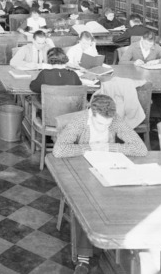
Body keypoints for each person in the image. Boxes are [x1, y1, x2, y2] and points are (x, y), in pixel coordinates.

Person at [53, 94, 147, 274]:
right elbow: (59, 150)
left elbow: (140, 149)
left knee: (131, 194)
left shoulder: (114, 121)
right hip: (83, 170)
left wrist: (110, 147)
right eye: (101, 124)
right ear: (92, 113)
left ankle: (121, 247)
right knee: (84, 202)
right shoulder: (80, 121)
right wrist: (89, 148)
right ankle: (83, 258)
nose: (106, 127)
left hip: (108, 167)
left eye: (108, 124)